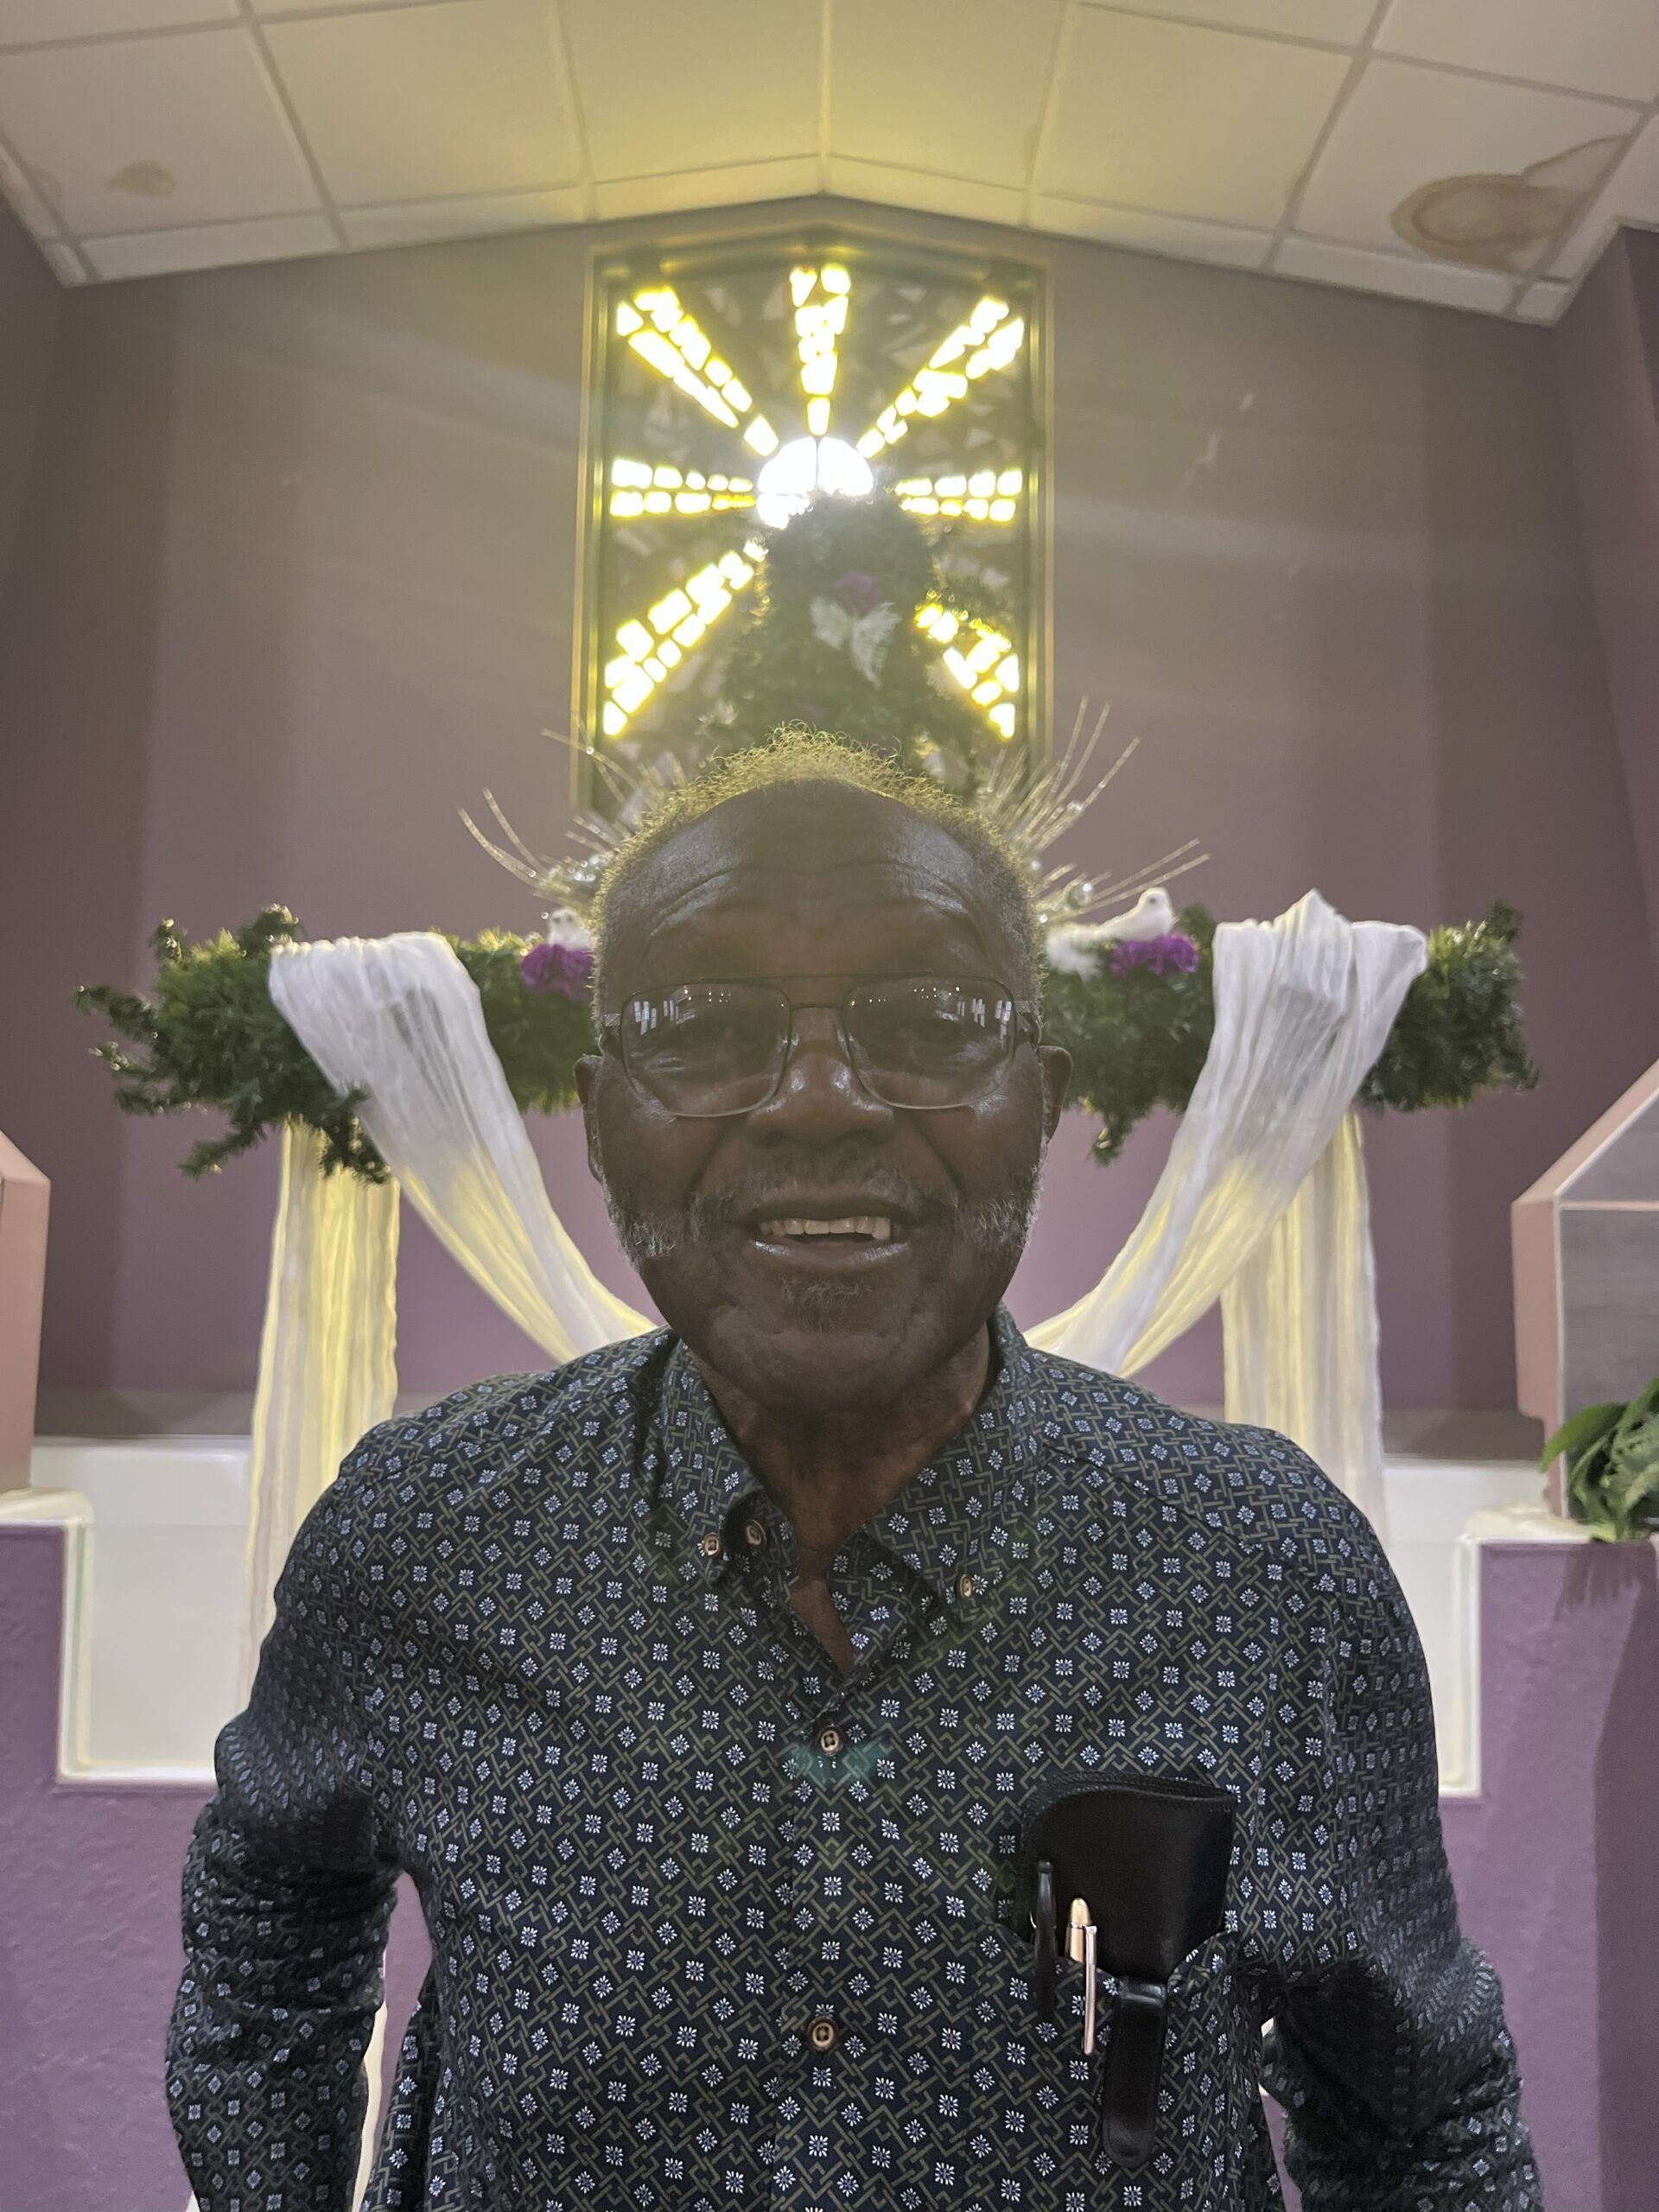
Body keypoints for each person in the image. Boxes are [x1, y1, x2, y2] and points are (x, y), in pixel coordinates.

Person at [167, 733, 1541, 2210]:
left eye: (931, 1013)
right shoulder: (427, 1536)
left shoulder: (1260, 1568)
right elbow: (266, 1941)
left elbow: (1418, 2113)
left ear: (1045, 1095)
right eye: (700, 1018)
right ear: (599, 1116)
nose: (819, 1097)